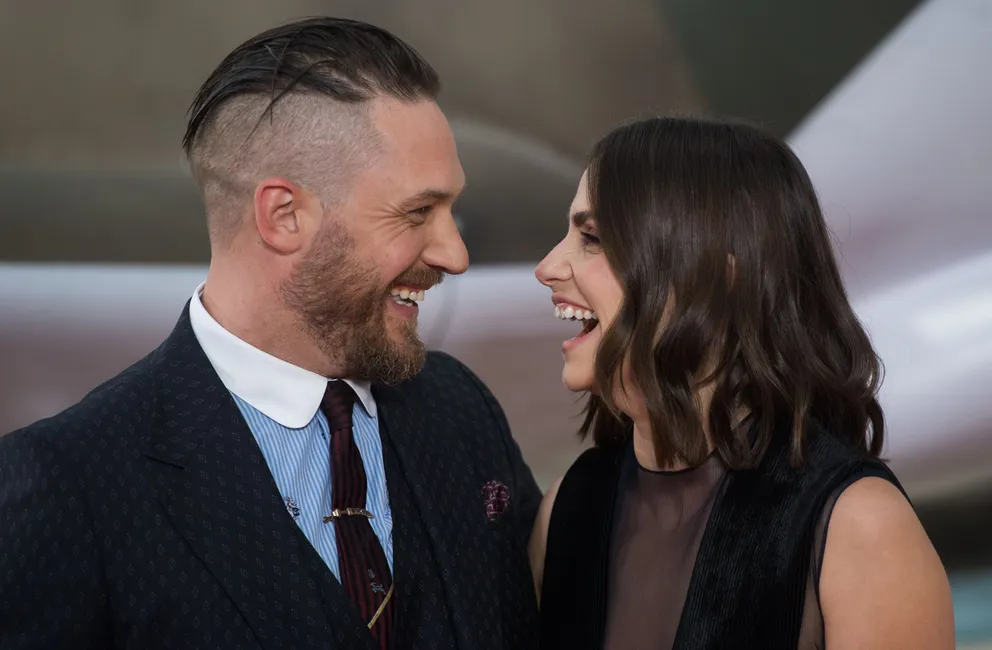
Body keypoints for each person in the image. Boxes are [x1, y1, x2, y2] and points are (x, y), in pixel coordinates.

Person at [0, 17, 541, 650]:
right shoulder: (67, 486)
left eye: (452, 211)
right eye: (418, 213)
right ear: (284, 216)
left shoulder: (460, 409)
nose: (455, 253)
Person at [530, 117, 956, 649]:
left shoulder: (857, 527)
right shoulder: (569, 509)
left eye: (591, 238)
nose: (548, 266)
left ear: (712, 278)